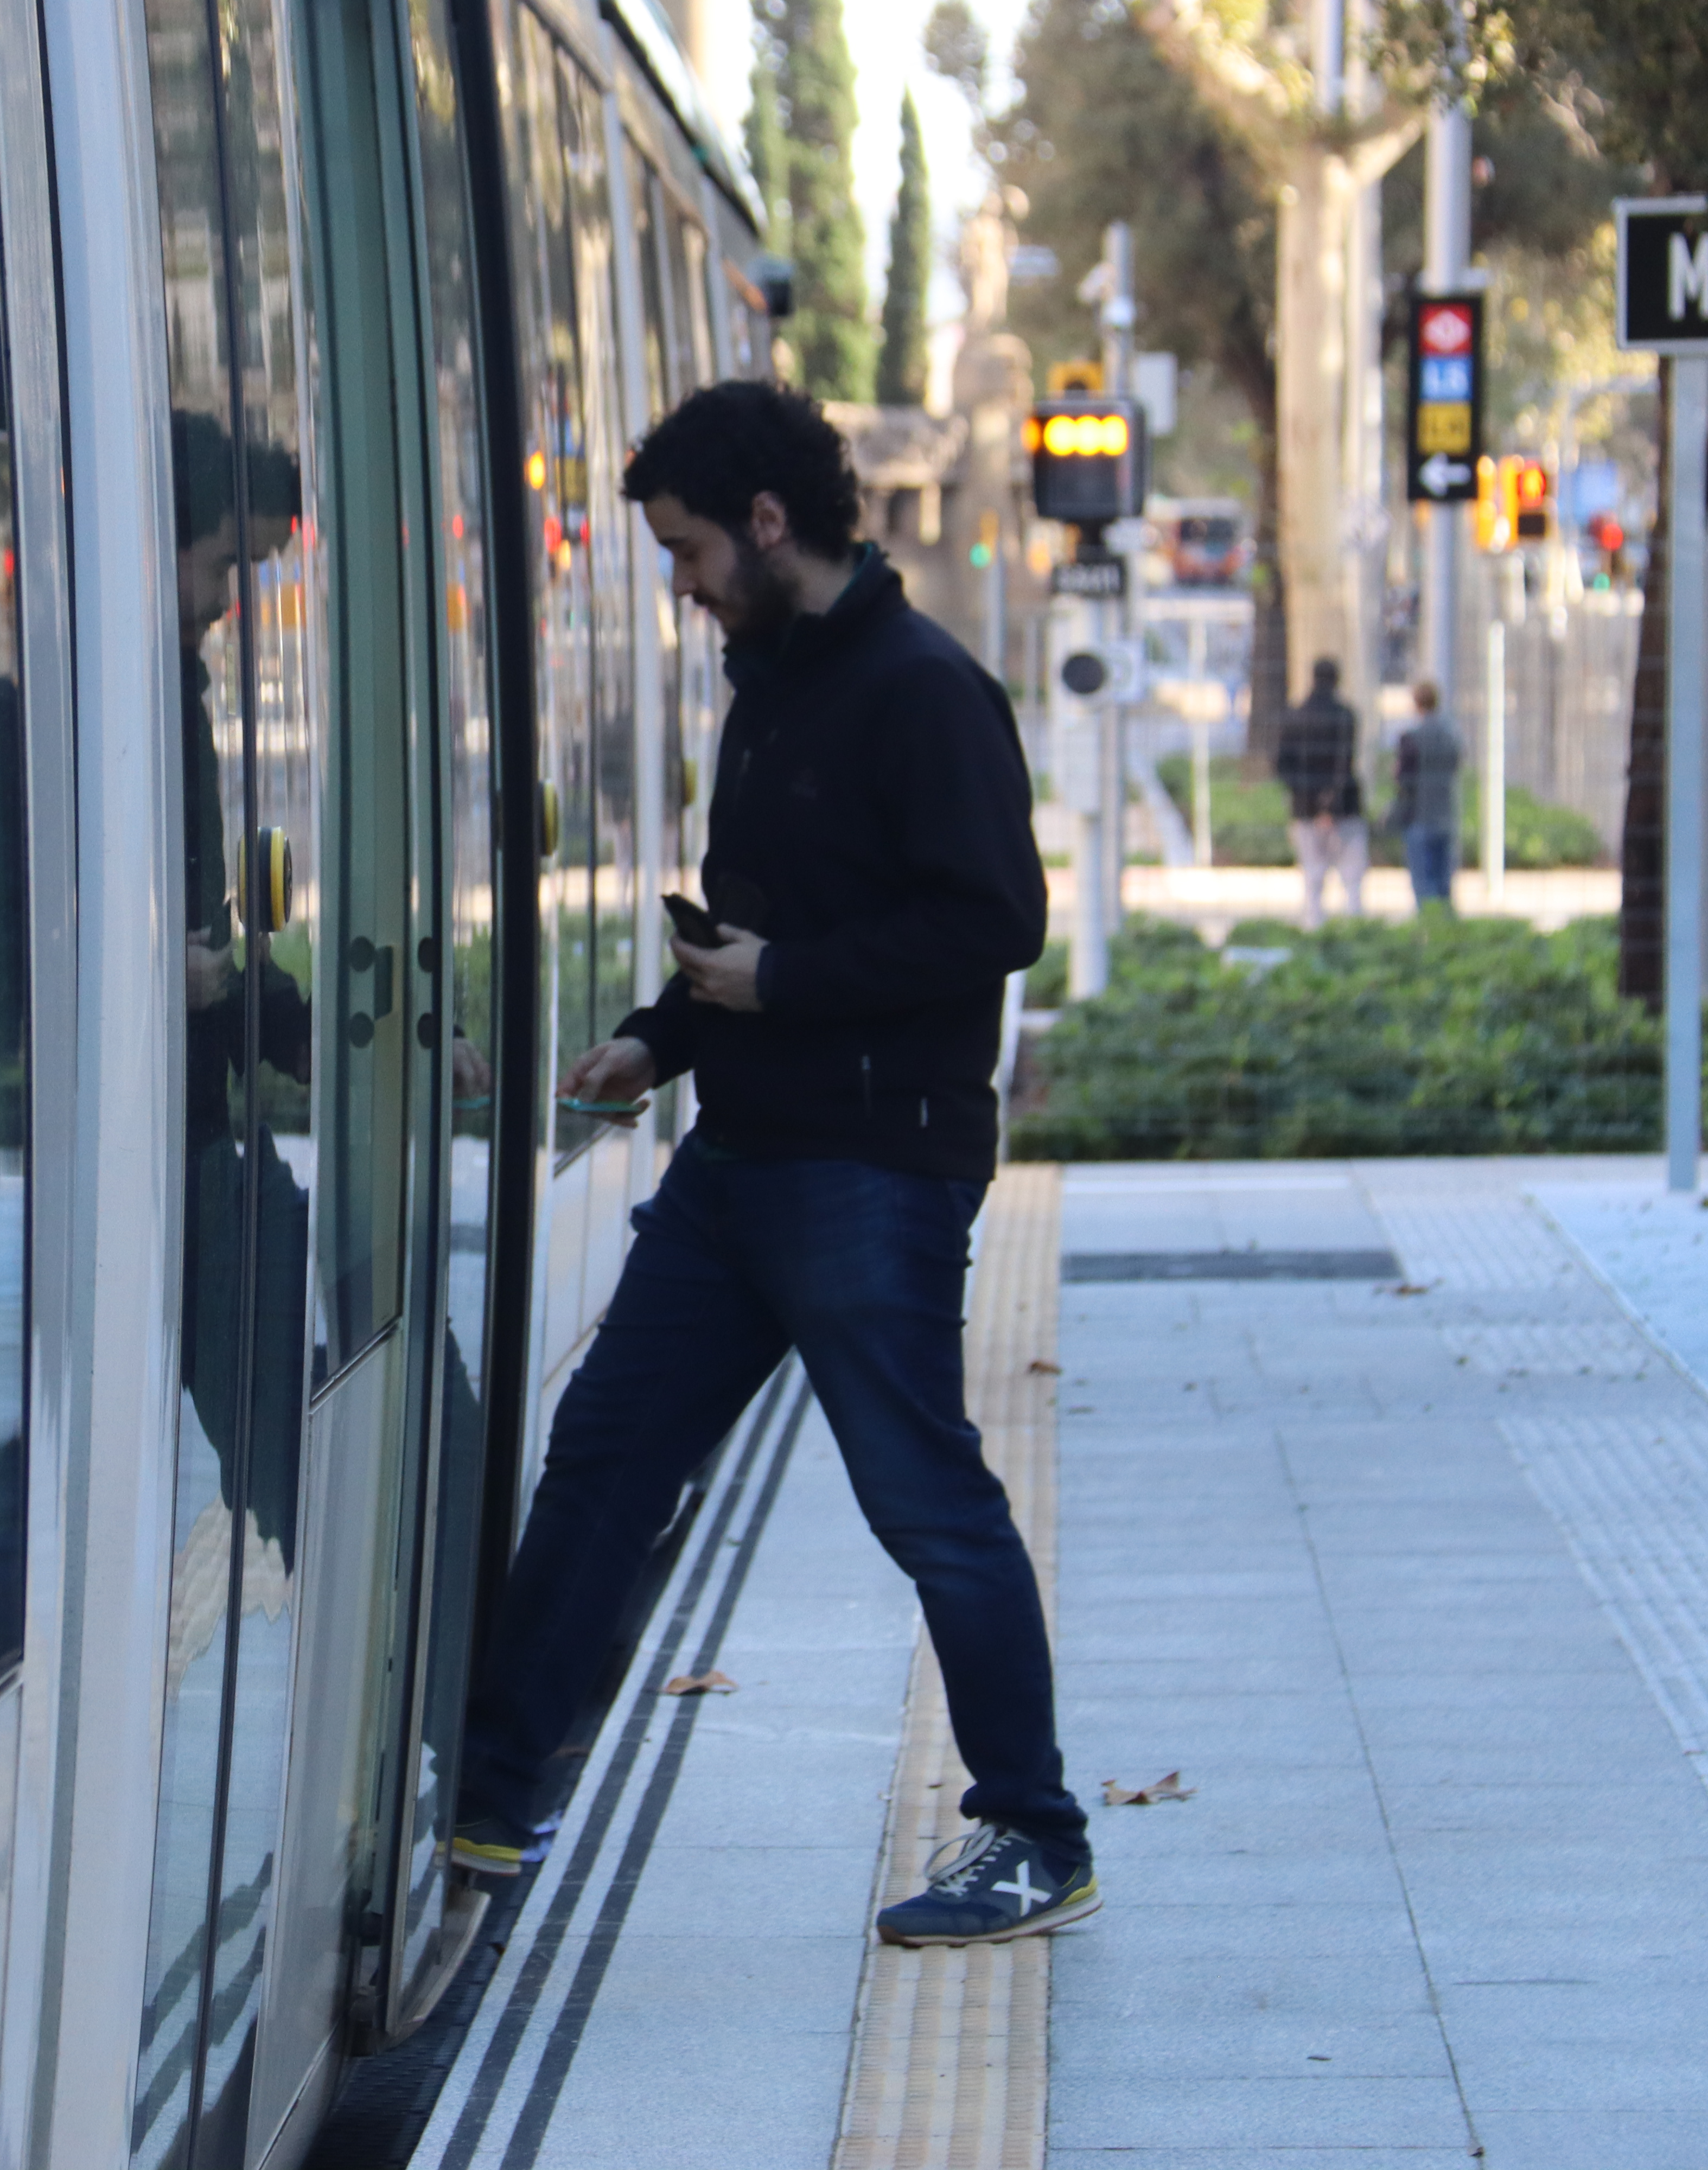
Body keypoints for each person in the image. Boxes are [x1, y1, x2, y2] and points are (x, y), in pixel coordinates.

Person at [453, 380, 1093, 1948]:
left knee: (928, 1505)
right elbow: (748, 923)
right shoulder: (776, 682)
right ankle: (484, 1798)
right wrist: (660, 1037)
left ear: (764, 521)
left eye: (683, 551)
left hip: (871, 1167)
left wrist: (781, 985)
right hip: (739, 1158)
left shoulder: (923, 690)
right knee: (605, 1457)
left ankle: (1035, 1832)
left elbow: (994, 922)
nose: (677, 587)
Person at [1276, 658, 1366, 928]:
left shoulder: (1295, 716)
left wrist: (1311, 799)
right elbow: (1344, 761)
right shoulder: (1345, 715)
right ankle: (1356, 930)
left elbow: (1283, 765)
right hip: (1344, 807)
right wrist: (1331, 803)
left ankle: (1314, 929)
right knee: (1352, 877)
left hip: (1305, 807)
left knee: (1313, 878)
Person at [1393, 680, 1462, 914]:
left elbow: (1403, 780)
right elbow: (1456, 767)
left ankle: (1429, 933)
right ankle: (1446, 933)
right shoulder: (1450, 736)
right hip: (1445, 814)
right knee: (1444, 884)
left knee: (1424, 885)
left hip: (1419, 815)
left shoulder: (1411, 738)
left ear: (1416, 704)